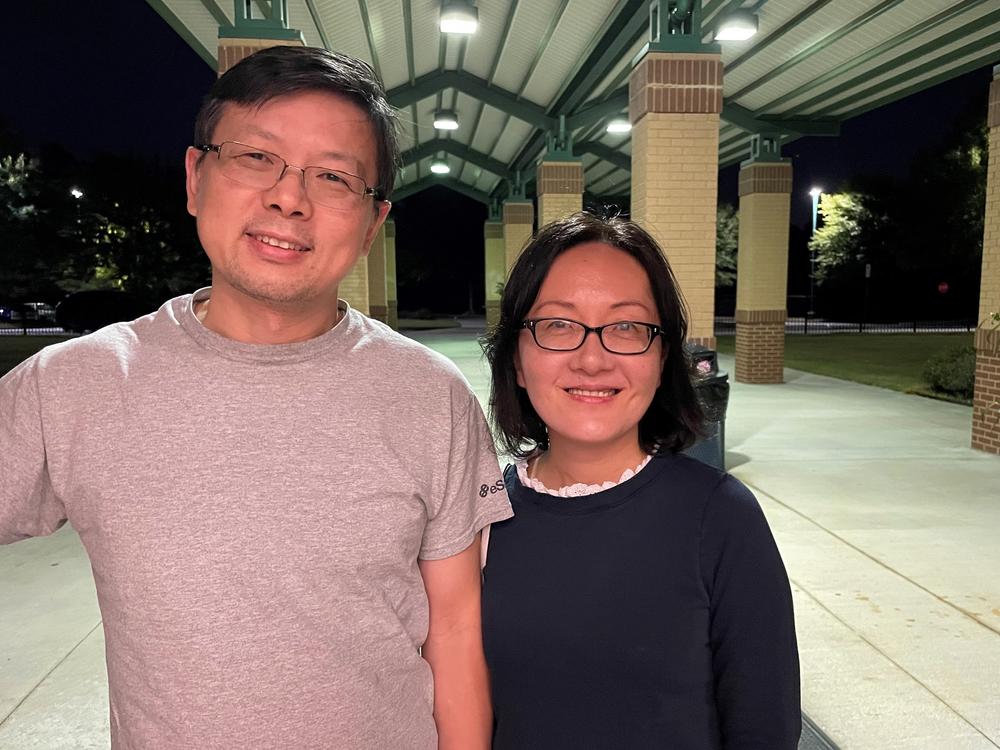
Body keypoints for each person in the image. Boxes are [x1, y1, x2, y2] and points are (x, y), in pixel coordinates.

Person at [0, 46, 511, 749]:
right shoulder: (75, 384)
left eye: (334, 177)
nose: (288, 198)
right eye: (256, 158)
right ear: (194, 176)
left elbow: (455, 631)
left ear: (370, 224)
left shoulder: (431, 396)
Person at [481, 212, 800, 749]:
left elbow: (763, 724)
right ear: (516, 357)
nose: (591, 358)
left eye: (626, 327)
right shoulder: (480, 518)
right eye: (558, 324)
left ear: (661, 357)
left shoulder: (718, 517)